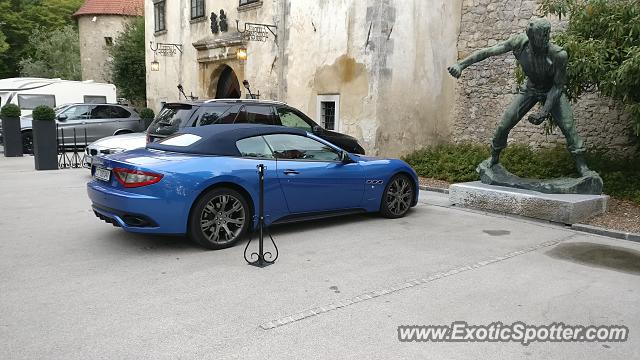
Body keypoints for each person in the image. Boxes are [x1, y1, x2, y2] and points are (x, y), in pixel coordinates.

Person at [448, 18, 592, 176]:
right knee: (505, 123)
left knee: (569, 127)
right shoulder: (519, 43)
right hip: (529, 90)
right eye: (541, 36)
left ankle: (582, 167)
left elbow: (558, 87)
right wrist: (461, 64)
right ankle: (494, 158)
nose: (545, 39)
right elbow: (489, 51)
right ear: (531, 36)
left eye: (547, 34)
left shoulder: (559, 55)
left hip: (551, 90)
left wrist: (544, 112)